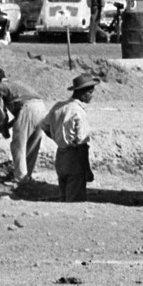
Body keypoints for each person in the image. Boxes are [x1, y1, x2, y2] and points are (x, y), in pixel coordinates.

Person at [0, 66, 48, 185]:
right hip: (41, 108)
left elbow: (1, 112)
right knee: (32, 144)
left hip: (27, 109)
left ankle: (20, 178)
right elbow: (21, 115)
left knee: (17, 145)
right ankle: (26, 177)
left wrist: (3, 126)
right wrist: (6, 127)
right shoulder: (16, 84)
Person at [41, 71, 98, 202]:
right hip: (74, 158)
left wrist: (58, 138)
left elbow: (45, 127)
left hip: (60, 157)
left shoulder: (58, 106)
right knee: (75, 200)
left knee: (64, 195)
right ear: (82, 92)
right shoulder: (78, 112)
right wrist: (87, 170)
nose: (91, 96)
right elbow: (82, 144)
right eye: (90, 93)